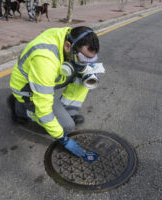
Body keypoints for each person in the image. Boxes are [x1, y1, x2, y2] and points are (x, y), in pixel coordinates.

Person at [9, 26, 104, 158]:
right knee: (65, 127)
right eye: (83, 59)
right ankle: (20, 108)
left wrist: (87, 70)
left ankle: (67, 112)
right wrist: (62, 138)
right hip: (28, 89)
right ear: (67, 46)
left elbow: (83, 63)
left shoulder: (71, 35)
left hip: (47, 79)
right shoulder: (45, 60)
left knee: (83, 77)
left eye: (90, 60)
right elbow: (44, 109)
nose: (85, 64)